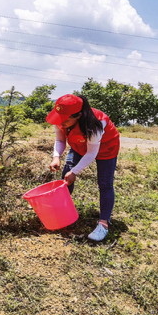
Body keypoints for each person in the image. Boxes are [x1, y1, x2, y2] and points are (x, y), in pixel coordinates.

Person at [47, 94, 120, 241]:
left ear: (79, 115)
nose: (62, 122)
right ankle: (62, 213)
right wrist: (56, 156)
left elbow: (92, 152)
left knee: (105, 184)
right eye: (60, 117)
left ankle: (103, 224)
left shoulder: (96, 124)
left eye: (67, 119)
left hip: (106, 148)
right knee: (66, 175)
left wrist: (75, 171)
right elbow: (60, 139)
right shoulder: (60, 118)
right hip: (79, 145)